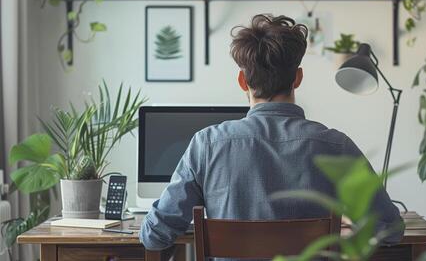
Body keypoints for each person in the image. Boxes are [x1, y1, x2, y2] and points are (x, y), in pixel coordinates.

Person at [139, 14, 404, 250]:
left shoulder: (206, 144)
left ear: (242, 81)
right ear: (297, 78)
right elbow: (390, 230)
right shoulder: (336, 145)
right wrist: (345, 226)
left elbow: (155, 237)